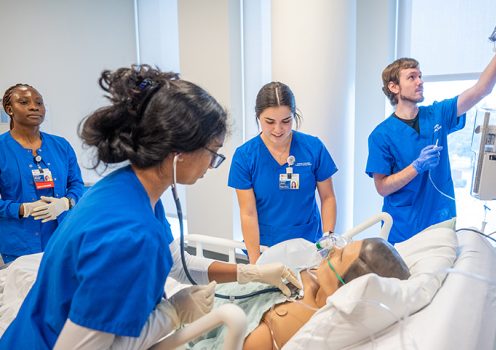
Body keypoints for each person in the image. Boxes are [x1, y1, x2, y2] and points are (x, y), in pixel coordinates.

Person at [0, 66, 301, 349]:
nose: (212, 164)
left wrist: (250, 273)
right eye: (213, 153)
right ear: (178, 151)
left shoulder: (130, 188)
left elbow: (173, 261)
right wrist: (172, 314)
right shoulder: (130, 234)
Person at [366, 46, 496, 244]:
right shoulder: (381, 135)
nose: (420, 82)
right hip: (402, 228)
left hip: (440, 222)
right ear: (394, 87)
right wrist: (416, 167)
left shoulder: (437, 114)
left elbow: (481, 89)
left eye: (420, 76)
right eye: (412, 77)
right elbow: (382, 187)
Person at [184, 237, 410, 349]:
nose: (334, 249)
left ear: (347, 287)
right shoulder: (316, 274)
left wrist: (176, 316)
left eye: (340, 257)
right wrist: (250, 272)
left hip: (189, 327)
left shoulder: (282, 327)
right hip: (202, 295)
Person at [228, 82, 338, 263]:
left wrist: (327, 239)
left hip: (309, 244)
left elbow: (328, 198)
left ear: (294, 116)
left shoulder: (313, 148)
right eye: (269, 122)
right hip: (266, 246)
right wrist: (256, 263)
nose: (278, 130)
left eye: (286, 121)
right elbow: (248, 212)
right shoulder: (245, 156)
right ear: (258, 117)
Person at [0, 84, 84, 263]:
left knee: (61, 290)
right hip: (20, 245)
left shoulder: (61, 146)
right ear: (9, 109)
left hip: (62, 239)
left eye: (39, 102)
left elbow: (77, 184)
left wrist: (66, 203)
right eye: (24, 102)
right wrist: (22, 209)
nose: (34, 106)